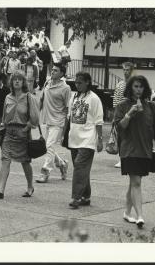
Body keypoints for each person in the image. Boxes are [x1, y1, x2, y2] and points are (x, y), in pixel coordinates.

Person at [114, 75, 155, 228]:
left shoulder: (152, 107)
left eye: (141, 86)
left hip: (145, 150)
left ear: (145, 88)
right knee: (136, 183)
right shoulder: (122, 105)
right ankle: (140, 215)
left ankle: (127, 212)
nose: (138, 89)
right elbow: (119, 128)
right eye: (135, 86)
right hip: (129, 149)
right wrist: (130, 113)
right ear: (130, 88)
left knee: (133, 183)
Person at [0, 70, 39, 199]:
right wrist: (1, 128)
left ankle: (30, 186)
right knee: (5, 159)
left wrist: (27, 128)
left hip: (23, 133)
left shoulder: (29, 97)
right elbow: (5, 117)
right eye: (14, 79)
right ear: (11, 82)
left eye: (19, 79)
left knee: (25, 161)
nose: (16, 81)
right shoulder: (8, 97)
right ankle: (0, 189)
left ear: (23, 82)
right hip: (9, 132)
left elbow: (35, 118)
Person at [68, 72, 104, 209]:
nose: (77, 85)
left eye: (80, 82)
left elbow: (99, 120)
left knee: (79, 166)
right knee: (82, 169)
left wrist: (100, 139)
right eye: (76, 83)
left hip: (88, 139)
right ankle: (86, 196)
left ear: (87, 82)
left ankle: (76, 197)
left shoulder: (94, 98)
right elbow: (69, 116)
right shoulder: (74, 97)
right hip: (74, 138)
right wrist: (65, 136)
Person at [36, 63, 71, 183]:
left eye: (56, 70)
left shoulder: (66, 88)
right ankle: (62, 164)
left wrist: (65, 130)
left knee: (49, 146)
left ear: (62, 74)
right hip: (46, 120)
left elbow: (67, 109)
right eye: (52, 70)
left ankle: (45, 171)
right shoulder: (47, 83)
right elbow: (41, 100)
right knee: (48, 147)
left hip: (58, 121)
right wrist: (36, 115)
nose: (52, 72)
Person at [113, 62, 134, 168]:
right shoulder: (120, 84)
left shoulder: (135, 83)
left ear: (131, 70)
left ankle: (131, 157)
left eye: (127, 69)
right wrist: (114, 116)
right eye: (124, 69)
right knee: (121, 136)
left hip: (132, 113)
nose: (126, 72)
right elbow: (116, 100)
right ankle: (122, 158)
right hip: (121, 114)